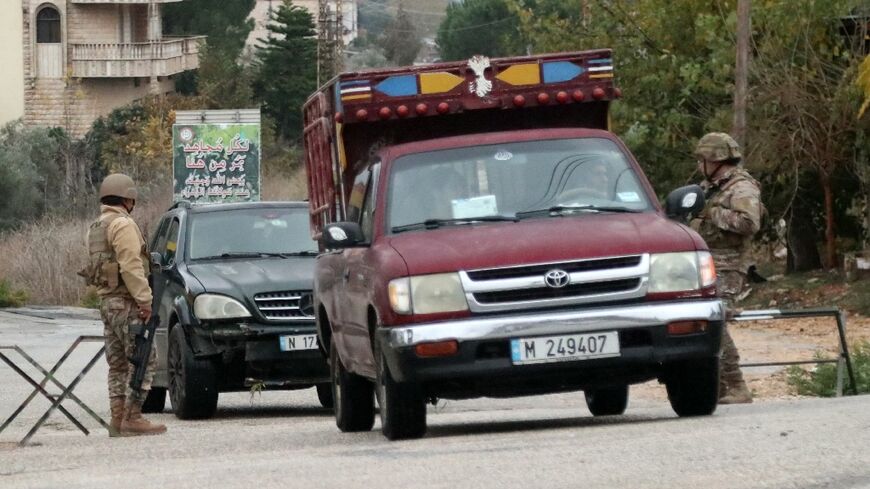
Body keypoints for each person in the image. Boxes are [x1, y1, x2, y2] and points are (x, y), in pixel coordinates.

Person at [82, 174, 167, 436]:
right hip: (126, 301)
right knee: (144, 357)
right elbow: (131, 265)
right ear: (128, 199)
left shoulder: (96, 226)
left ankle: (117, 420)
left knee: (118, 364)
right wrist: (145, 300)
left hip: (107, 301)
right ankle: (133, 416)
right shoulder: (122, 224)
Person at [690, 132, 763, 404]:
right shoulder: (711, 187)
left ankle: (737, 385)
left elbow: (749, 223)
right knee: (702, 320)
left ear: (715, 160)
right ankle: (718, 386)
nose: (699, 166)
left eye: (702, 160)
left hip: (730, 264)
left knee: (715, 319)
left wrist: (711, 213)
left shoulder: (741, 187)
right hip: (706, 263)